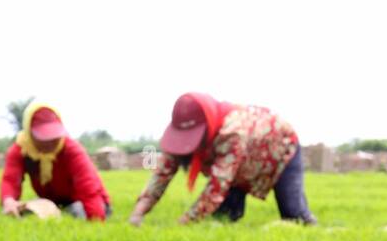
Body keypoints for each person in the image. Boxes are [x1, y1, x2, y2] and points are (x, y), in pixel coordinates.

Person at [129, 93, 316, 226]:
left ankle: (323, 233)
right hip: (238, 169)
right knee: (222, 220)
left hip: (281, 150)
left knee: (294, 215)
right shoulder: (181, 130)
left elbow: (217, 187)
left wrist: (184, 223)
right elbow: (163, 172)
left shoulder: (232, 133)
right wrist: (138, 212)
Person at [0, 101, 111, 221]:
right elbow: (10, 180)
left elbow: (88, 187)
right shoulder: (21, 149)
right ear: (29, 132)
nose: (50, 142)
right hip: (54, 201)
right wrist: (9, 201)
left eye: (53, 136)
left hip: (86, 201)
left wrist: (95, 220)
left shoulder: (71, 149)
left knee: (77, 211)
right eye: (43, 136)